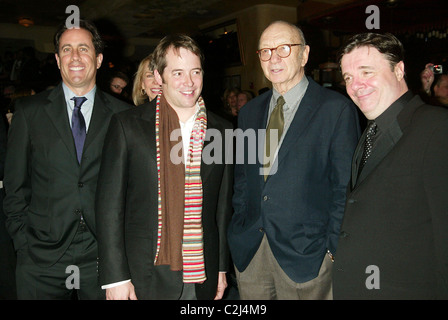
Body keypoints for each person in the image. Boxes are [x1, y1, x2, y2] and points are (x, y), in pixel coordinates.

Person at [227, 20, 360, 300]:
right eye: (265, 51)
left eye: (284, 48)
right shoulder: (250, 112)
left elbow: (344, 188)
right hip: (251, 252)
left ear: (305, 54)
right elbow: (243, 181)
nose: (273, 58)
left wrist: (332, 251)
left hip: (308, 257)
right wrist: (239, 227)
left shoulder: (335, 109)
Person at [95, 34, 233, 300]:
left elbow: (222, 209)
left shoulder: (223, 130)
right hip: (141, 276)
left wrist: (221, 267)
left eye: (195, 71)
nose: (189, 82)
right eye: (178, 72)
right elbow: (109, 207)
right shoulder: (127, 126)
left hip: (202, 272)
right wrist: (115, 277)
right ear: (159, 76)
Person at [2, 19, 130, 300]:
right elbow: (15, 185)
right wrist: (23, 241)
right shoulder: (29, 112)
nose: (75, 57)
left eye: (83, 49)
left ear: (98, 59)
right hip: (39, 257)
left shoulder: (123, 116)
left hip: (102, 255)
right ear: (58, 59)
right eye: (67, 49)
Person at [333, 32, 448, 299]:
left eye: (366, 72)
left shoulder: (437, 128)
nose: (355, 85)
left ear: (399, 70)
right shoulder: (371, 131)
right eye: (348, 77)